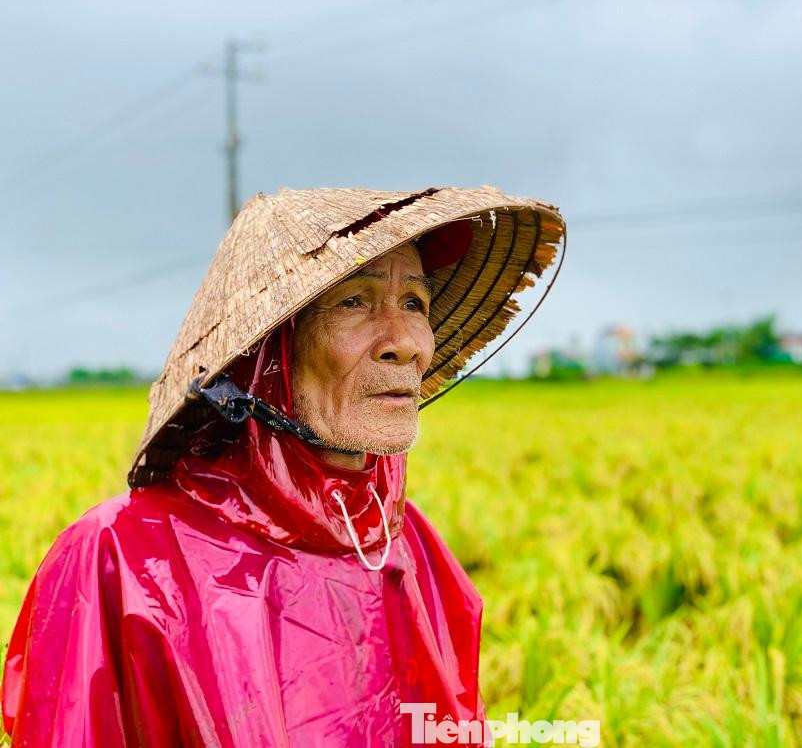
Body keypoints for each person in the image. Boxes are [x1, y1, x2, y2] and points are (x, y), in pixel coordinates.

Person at [0, 186, 565, 747]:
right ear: (266, 353)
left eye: (414, 303)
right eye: (355, 301)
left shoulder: (408, 545)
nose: (405, 344)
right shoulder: (119, 557)